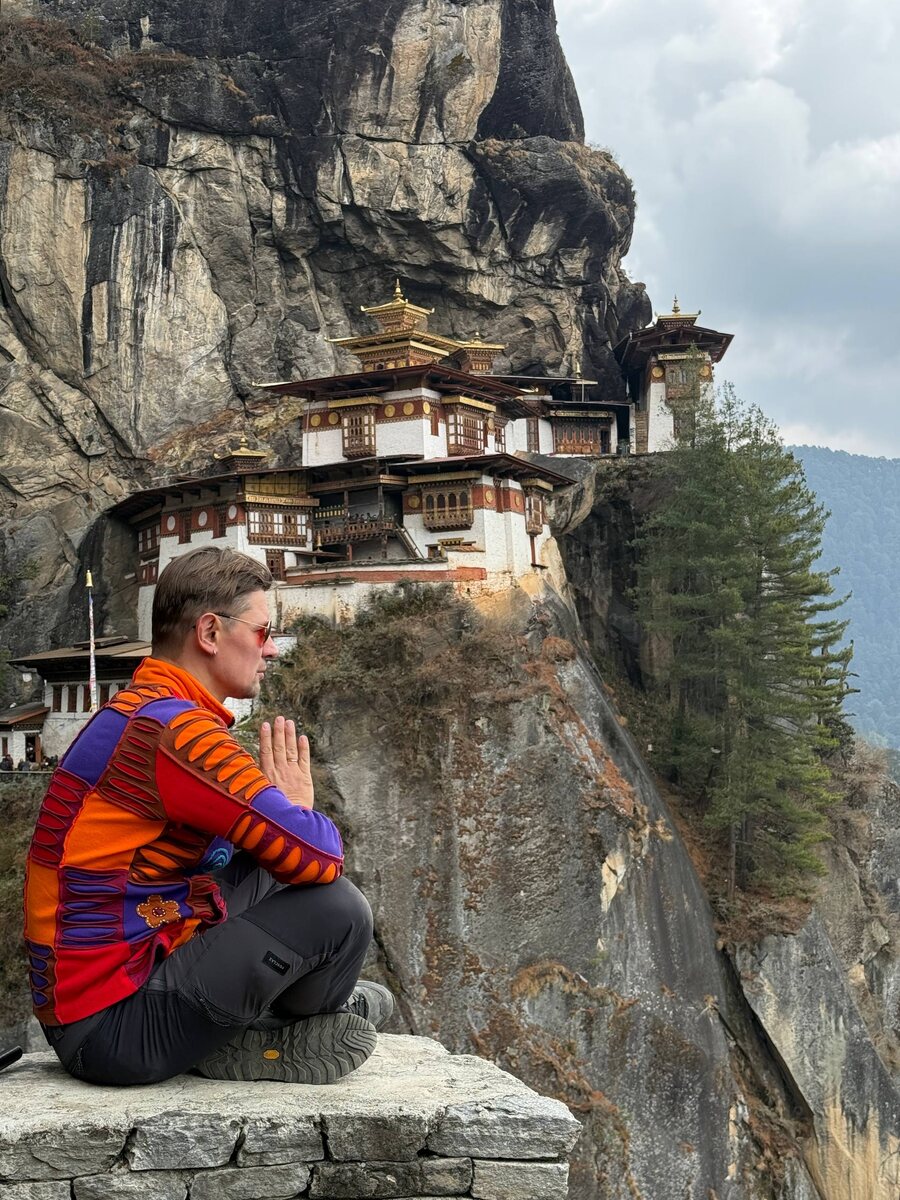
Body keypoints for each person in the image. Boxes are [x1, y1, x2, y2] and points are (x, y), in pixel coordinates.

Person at [23, 546, 391, 1086]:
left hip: (95, 1004)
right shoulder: (177, 733)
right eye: (263, 633)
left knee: (266, 865)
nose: (271, 650)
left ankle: (255, 1022)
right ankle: (273, 1029)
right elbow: (318, 856)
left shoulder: (138, 712)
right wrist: (296, 810)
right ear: (211, 632)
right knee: (340, 909)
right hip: (113, 1030)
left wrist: (285, 826)